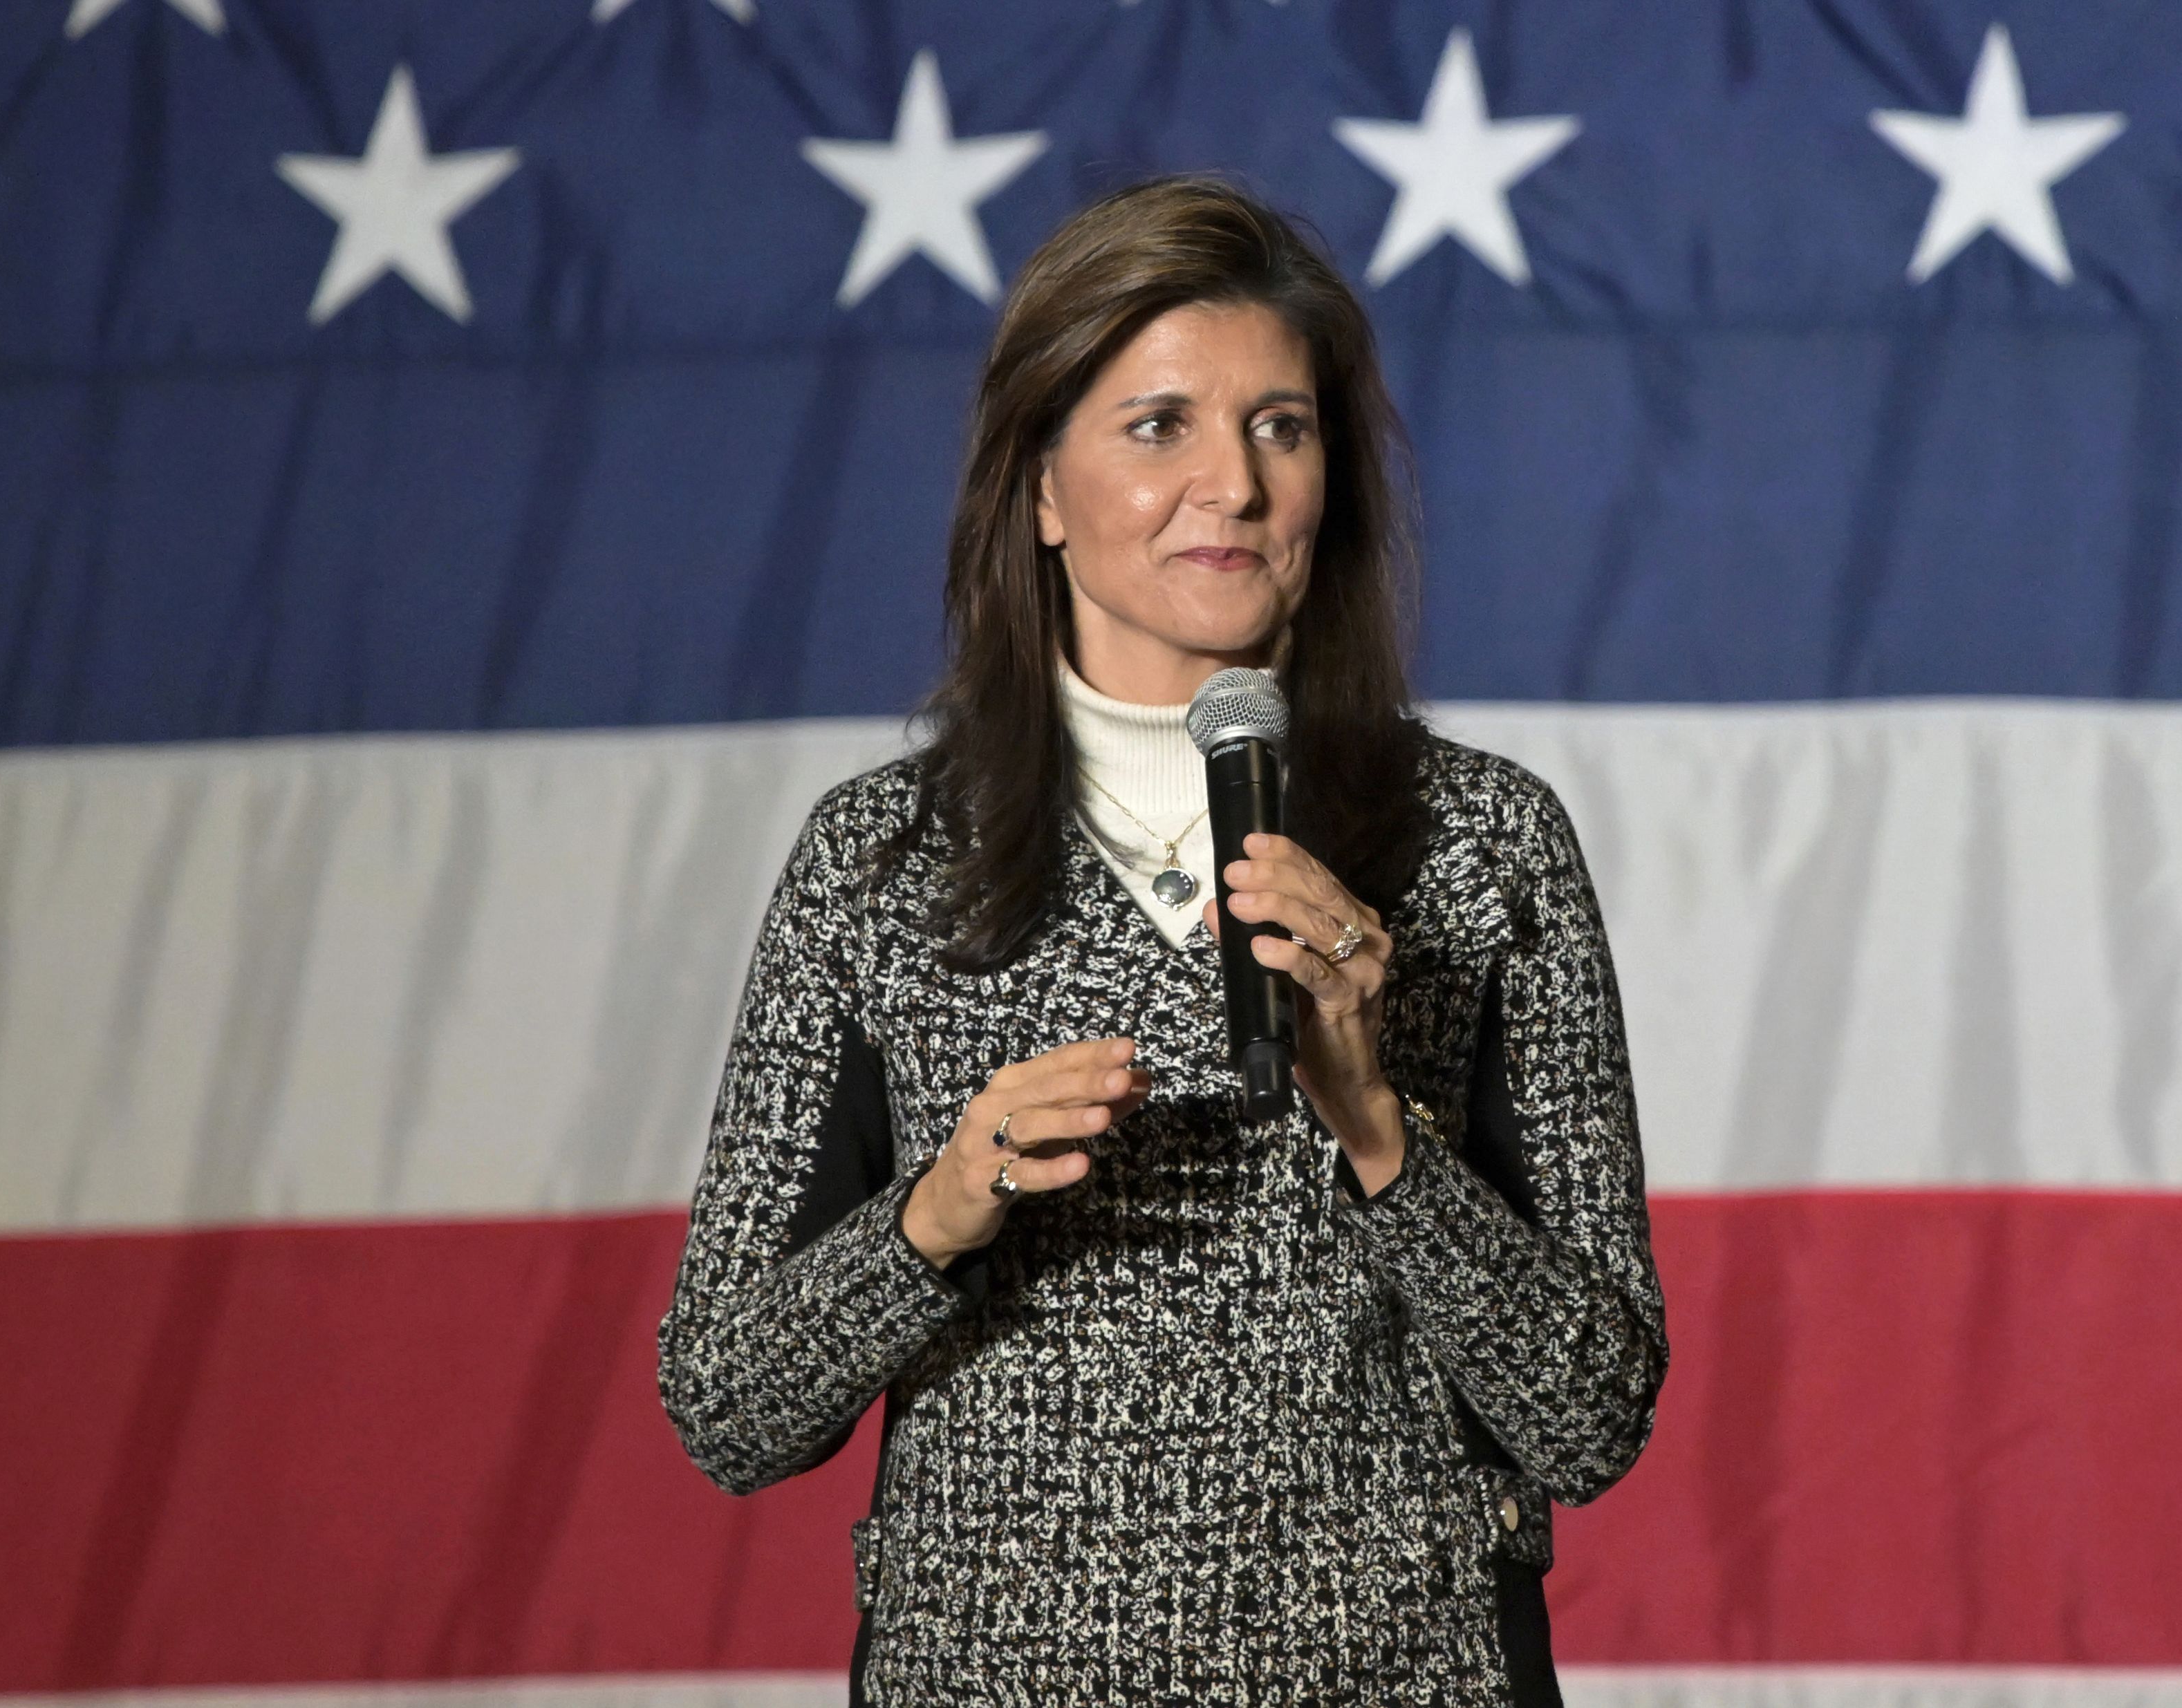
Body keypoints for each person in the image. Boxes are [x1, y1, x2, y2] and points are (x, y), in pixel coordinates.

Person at [655, 176, 1666, 1707]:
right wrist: (937, 1211)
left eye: (1282, 425)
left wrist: (1382, 1136)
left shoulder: (1482, 844)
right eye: (1157, 427)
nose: (1236, 487)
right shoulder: (877, 864)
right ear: (1041, 491)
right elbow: (728, 1407)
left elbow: (1588, 1418)